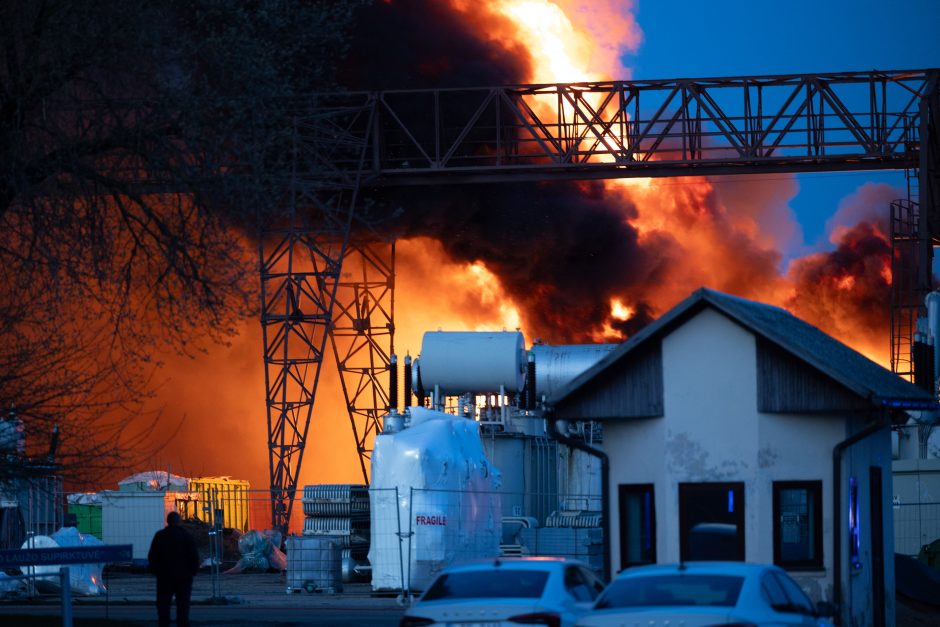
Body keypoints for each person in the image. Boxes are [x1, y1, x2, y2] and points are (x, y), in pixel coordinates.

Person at [148, 511, 200, 627]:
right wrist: (192, 572)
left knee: (164, 604)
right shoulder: (186, 536)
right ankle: (182, 623)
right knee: (183, 604)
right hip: (184, 577)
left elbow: (152, 556)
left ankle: (164, 623)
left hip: (164, 577)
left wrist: (156, 571)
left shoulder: (160, 536)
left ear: (167, 521)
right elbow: (194, 556)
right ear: (179, 521)